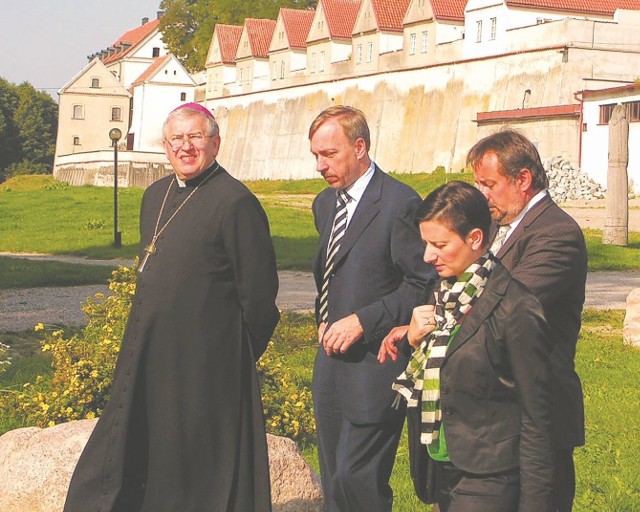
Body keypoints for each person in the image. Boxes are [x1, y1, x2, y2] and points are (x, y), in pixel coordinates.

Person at [63, 103, 280, 512]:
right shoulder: (155, 195)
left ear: (215, 143)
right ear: (165, 146)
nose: (186, 146)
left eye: (196, 137)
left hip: (206, 364)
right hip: (150, 352)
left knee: (195, 463)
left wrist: (230, 354)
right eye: (177, 139)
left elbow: (259, 295)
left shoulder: (236, 202)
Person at [379, 180, 554, 512]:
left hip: (489, 476)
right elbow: (441, 368)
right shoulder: (444, 293)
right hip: (442, 469)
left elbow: (538, 417)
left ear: (475, 238)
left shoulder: (516, 308)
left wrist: (535, 503)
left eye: (439, 244)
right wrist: (412, 341)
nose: (428, 255)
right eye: (425, 243)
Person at [309, 105, 436, 511]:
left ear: (360, 147)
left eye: (329, 154)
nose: (319, 165)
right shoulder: (324, 205)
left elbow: (421, 283)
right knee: (334, 484)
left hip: (377, 364)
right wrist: (323, 317)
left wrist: (364, 321)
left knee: (357, 481)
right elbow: (330, 272)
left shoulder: (399, 203)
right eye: (315, 155)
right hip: (330, 365)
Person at [468, 130, 587, 512]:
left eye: (489, 184)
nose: (481, 195)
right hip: (499, 417)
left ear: (522, 180)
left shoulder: (556, 232)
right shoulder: (504, 228)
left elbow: (506, 305)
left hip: (537, 414)